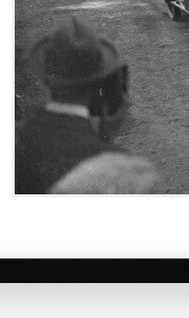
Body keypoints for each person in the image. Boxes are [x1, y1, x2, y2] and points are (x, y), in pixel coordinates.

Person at [16, 16, 162, 193]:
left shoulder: (17, 138)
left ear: (46, 79)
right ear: (100, 81)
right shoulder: (129, 173)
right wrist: (105, 141)